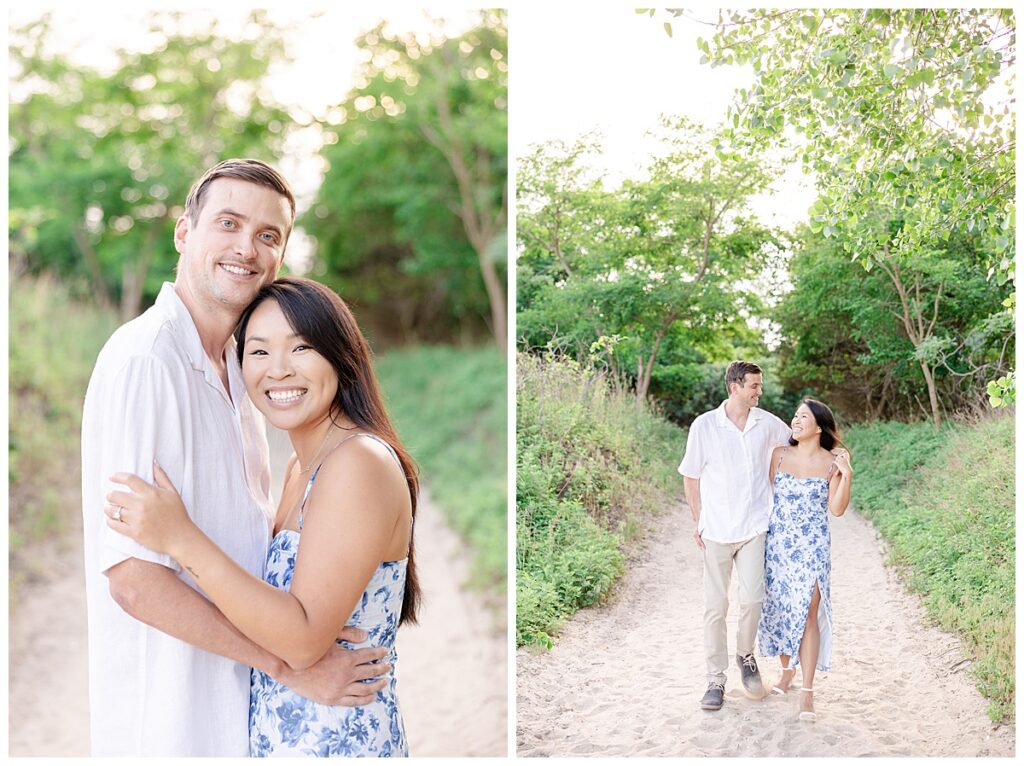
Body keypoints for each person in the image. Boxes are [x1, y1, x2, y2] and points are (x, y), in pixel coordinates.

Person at [81, 159, 389, 757]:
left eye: (268, 235)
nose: (246, 247)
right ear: (184, 232)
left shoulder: (241, 374)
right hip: (171, 722)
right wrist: (286, 665)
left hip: (238, 716)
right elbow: (134, 580)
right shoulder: (148, 362)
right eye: (228, 222)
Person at [106, 277, 419, 756]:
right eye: (258, 352)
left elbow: (303, 639)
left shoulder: (358, 463)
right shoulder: (301, 467)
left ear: (341, 355)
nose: (278, 371)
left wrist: (180, 538)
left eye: (301, 348)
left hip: (337, 739)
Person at [678, 361, 791, 711]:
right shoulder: (704, 426)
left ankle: (745, 655)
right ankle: (715, 680)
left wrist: (834, 451)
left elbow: (800, 441)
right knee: (715, 607)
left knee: (753, 599)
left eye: (759, 385)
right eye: (754, 386)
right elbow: (691, 476)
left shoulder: (767, 423)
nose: (760, 391)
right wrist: (699, 520)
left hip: (755, 526)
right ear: (734, 387)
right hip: (716, 531)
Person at [757, 399, 852, 722]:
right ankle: (786, 672)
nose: (795, 421)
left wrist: (846, 473)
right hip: (779, 546)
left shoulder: (831, 462)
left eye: (803, 417)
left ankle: (808, 693)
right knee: (782, 608)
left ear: (819, 427)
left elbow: (837, 509)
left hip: (812, 548)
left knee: (808, 613)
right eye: (795, 416)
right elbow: (769, 496)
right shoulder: (778, 455)